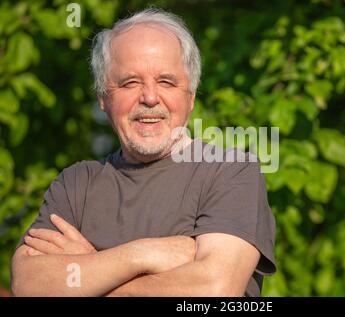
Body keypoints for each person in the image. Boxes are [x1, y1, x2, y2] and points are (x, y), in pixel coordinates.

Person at [11, 7, 276, 297]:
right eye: (130, 82)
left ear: (191, 97)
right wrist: (141, 254)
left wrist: (91, 268)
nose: (149, 98)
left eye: (166, 81)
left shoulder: (231, 171)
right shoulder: (76, 185)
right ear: (103, 98)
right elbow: (29, 286)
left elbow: (215, 290)